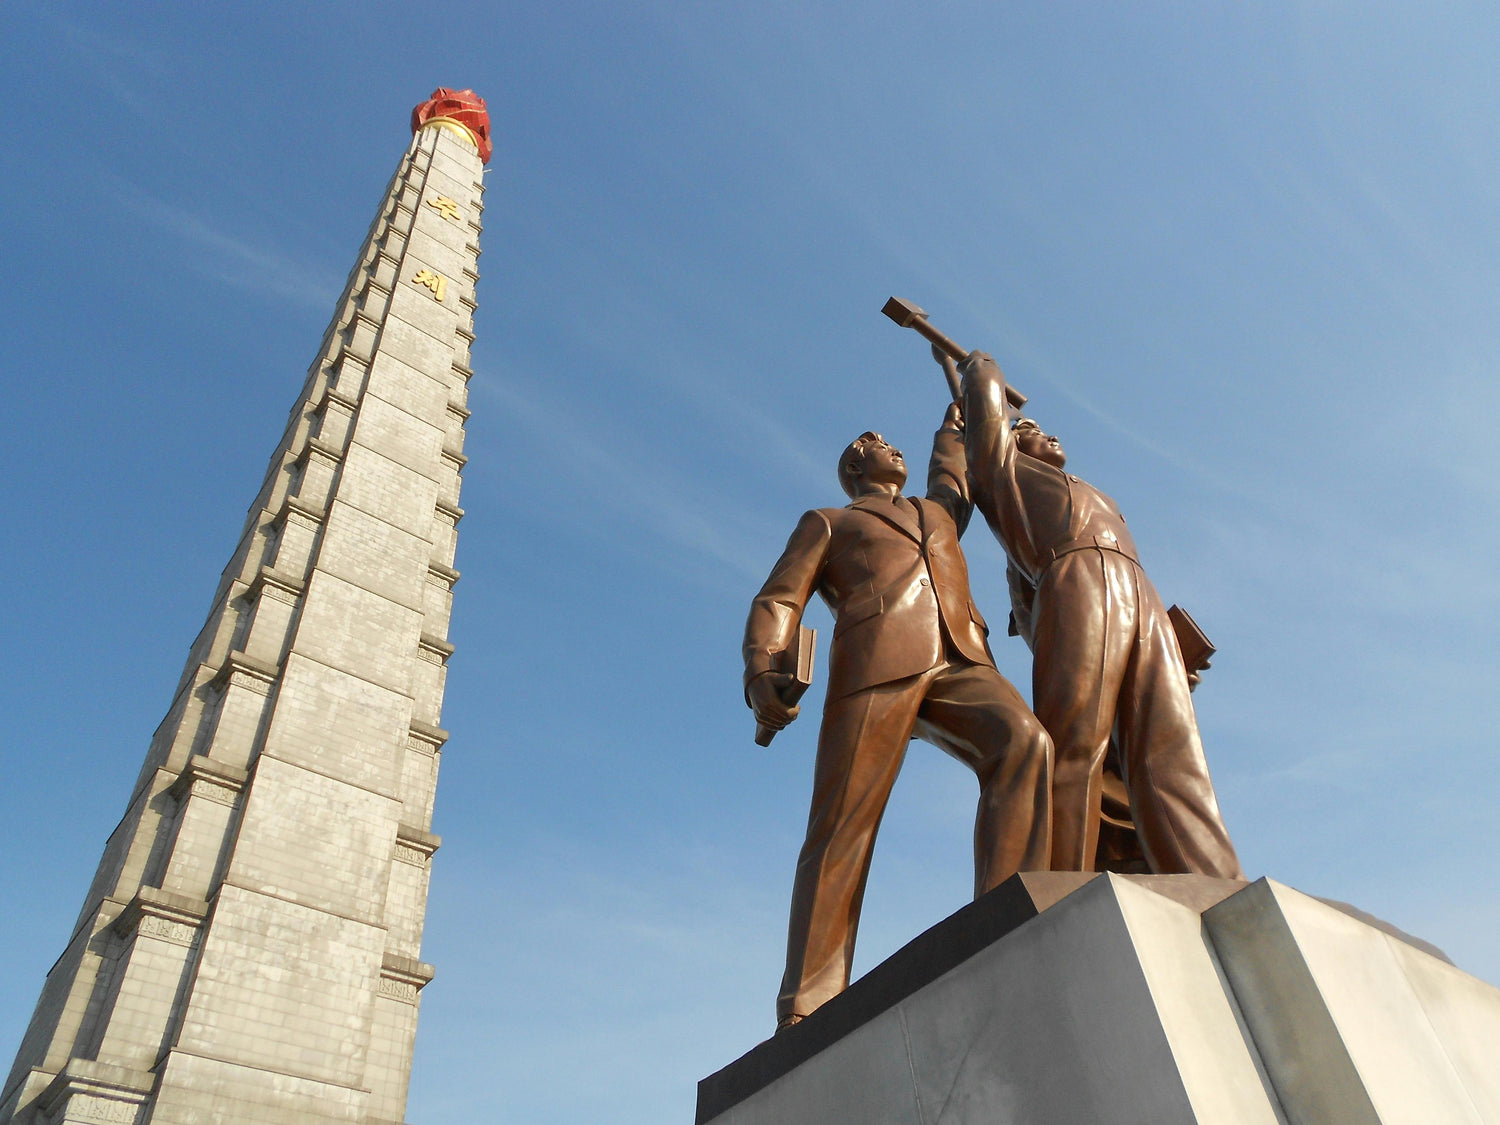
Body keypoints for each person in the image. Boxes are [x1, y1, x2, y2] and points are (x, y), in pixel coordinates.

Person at [744, 404, 1053, 1030]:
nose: (892, 446)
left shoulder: (937, 513)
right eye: (876, 441)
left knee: (1026, 743)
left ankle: (1004, 912)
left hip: (961, 658)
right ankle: (809, 999)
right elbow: (779, 596)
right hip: (875, 663)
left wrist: (958, 420)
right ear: (856, 466)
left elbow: (954, 478)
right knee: (843, 824)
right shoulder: (828, 522)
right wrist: (764, 672)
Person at [948, 349, 1243, 878]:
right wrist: (978, 370)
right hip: (1078, 572)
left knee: (1172, 750)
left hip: (1136, 586)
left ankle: (1214, 880)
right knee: (1075, 740)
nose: (1049, 435)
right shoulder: (1005, 476)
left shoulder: (1088, 488)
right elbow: (986, 425)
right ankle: (1063, 880)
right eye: (1031, 429)